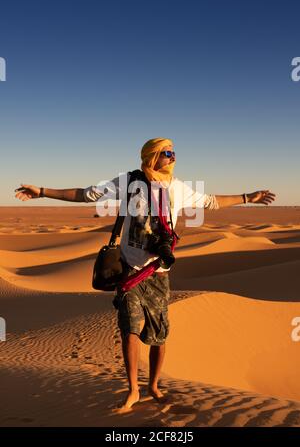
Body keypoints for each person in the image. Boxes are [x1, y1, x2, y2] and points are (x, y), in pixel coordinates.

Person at [14, 138, 276, 411]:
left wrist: (248, 198)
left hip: (159, 272)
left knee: (158, 337)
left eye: (174, 153)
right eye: (167, 153)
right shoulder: (129, 181)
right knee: (130, 332)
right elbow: (86, 194)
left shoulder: (177, 187)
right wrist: (42, 191)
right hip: (130, 271)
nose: (173, 157)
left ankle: (153, 385)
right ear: (152, 156)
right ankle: (133, 391)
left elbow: (211, 202)